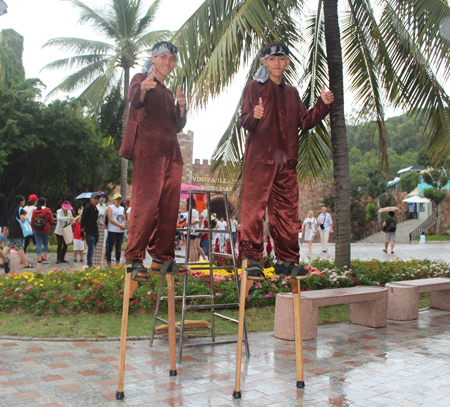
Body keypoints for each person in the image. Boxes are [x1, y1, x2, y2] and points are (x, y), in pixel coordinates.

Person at [239, 41, 333, 278]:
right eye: (272, 59)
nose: (277, 63)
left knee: (288, 214)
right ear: (265, 62)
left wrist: (323, 104)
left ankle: (288, 261)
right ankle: (252, 259)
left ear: (287, 62)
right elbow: (244, 120)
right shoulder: (254, 87)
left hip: (286, 164)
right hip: (260, 161)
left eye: (281, 59)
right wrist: (254, 116)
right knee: (254, 212)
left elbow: (305, 121)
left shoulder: (292, 93)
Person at [120, 41, 188, 280]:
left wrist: (181, 107)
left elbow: (177, 126)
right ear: (154, 57)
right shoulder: (141, 77)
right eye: (163, 57)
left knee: (169, 208)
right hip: (149, 152)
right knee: (145, 204)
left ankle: (163, 258)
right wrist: (143, 89)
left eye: (172, 59)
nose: (167, 62)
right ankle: (134, 258)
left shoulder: (168, 92)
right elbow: (134, 99)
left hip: (172, 155)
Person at [3, 195, 33, 269]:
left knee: (8, 246)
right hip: (19, 231)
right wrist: (25, 214)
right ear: (21, 202)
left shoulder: (12, 209)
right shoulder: (21, 209)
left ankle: (1, 261)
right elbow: (23, 220)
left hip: (11, 230)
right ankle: (25, 264)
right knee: (20, 248)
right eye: (23, 201)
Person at [30, 197, 54, 265]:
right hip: (46, 229)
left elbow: (32, 221)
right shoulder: (48, 210)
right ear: (45, 203)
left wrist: (33, 227)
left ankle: (39, 259)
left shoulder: (35, 210)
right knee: (45, 243)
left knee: (38, 244)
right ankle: (45, 258)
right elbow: (52, 220)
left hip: (36, 230)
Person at [106, 193, 126, 267]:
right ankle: (109, 263)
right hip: (113, 230)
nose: (118, 201)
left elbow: (124, 219)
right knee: (110, 247)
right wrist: (119, 225)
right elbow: (110, 219)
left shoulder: (122, 208)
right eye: (117, 199)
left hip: (120, 231)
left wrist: (123, 225)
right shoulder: (110, 207)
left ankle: (117, 262)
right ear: (114, 200)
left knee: (118, 247)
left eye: (119, 199)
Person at [81, 192, 100, 267]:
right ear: (91, 199)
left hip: (95, 231)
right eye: (95, 199)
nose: (96, 201)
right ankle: (89, 263)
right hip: (89, 231)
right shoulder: (87, 209)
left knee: (93, 248)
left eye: (97, 199)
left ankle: (91, 262)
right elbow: (83, 221)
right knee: (91, 247)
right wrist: (82, 233)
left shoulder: (96, 210)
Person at [92, 191, 108, 267]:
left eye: (103, 197)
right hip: (95, 225)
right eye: (101, 197)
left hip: (103, 225)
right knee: (94, 243)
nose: (102, 199)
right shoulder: (95, 206)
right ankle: (93, 260)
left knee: (103, 244)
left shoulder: (105, 207)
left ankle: (101, 260)